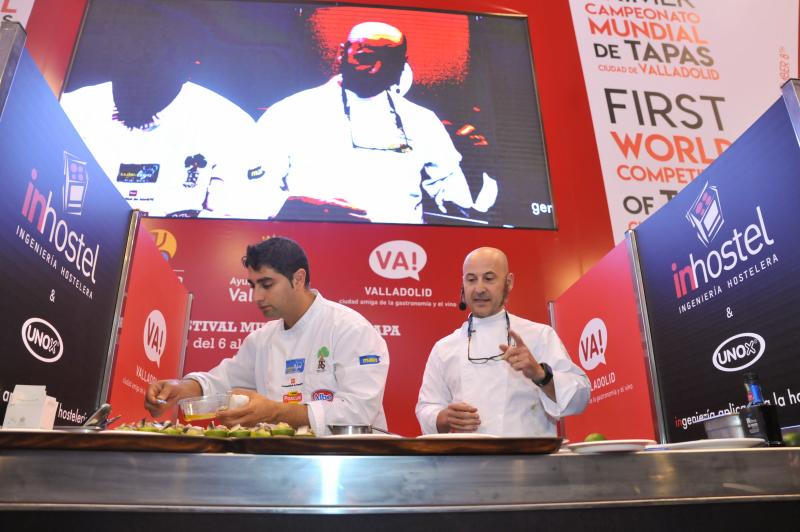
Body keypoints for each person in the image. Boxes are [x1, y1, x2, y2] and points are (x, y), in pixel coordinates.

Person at [248, 21, 497, 224]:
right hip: (314, 247)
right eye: (366, 56)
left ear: (403, 64)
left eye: (390, 60)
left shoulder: (423, 121)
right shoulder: (291, 113)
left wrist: (481, 165)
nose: (377, 68)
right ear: (341, 53)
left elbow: (458, 199)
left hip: (400, 260)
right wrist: (296, 207)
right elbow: (250, 192)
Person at [145, 237, 390, 435]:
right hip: (281, 468)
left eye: (267, 284)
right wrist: (182, 389)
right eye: (253, 286)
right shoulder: (262, 340)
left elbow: (358, 413)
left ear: (298, 278)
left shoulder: (349, 329)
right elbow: (222, 382)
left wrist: (273, 412)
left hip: (350, 469)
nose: (256, 297)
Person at [415, 247, 590, 436]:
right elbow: (426, 407)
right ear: (463, 284)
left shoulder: (539, 335)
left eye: (489, 278)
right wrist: (444, 417)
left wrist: (540, 374)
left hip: (528, 461)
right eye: (471, 279)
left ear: (509, 282)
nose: (479, 288)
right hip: (467, 461)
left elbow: (580, 398)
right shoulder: (444, 348)